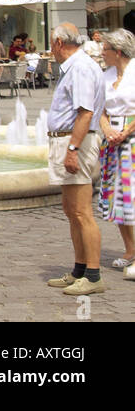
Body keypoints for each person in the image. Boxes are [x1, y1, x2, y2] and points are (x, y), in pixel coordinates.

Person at [45, 22, 107, 296]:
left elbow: (85, 112)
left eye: (51, 43)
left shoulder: (80, 67)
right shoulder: (76, 67)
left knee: (82, 212)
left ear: (59, 43)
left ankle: (92, 275)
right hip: (70, 138)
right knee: (72, 210)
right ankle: (79, 269)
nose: (51, 49)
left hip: (75, 140)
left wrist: (72, 148)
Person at [98, 29, 135, 271]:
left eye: (105, 49)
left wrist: (127, 131)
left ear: (118, 52)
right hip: (112, 141)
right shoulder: (106, 76)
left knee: (132, 193)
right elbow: (99, 109)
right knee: (118, 197)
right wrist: (107, 131)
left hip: (131, 138)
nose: (102, 53)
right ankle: (130, 248)